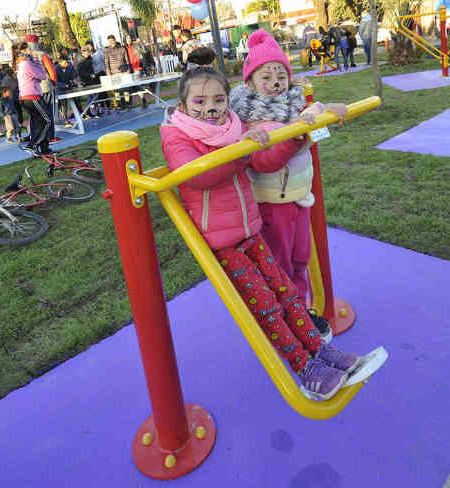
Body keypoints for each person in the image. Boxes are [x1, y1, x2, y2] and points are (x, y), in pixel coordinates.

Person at [161, 65, 386, 400]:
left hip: (250, 229)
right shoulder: (176, 135)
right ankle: (306, 372)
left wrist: (271, 140)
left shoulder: (233, 126)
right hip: (221, 243)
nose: (210, 107)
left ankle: (320, 352)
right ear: (183, 106)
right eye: (200, 100)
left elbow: (263, 161)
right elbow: (197, 175)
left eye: (219, 99)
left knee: (287, 293)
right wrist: (241, 152)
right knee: (266, 306)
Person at [229, 29, 348, 330]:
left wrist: (331, 109)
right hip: (272, 202)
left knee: (300, 258)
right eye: (265, 78)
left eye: (280, 76)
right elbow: (264, 162)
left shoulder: (292, 106)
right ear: (250, 81)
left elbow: (312, 111)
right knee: (280, 264)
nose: (274, 84)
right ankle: (286, 316)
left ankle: (302, 310)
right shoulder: (249, 119)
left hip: (298, 195)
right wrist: (295, 136)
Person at [16, 41, 56, 155]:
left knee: (40, 122)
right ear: (24, 51)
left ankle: (44, 149)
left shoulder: (23, 63)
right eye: (29, 49)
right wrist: (38, 62)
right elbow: (43, 76)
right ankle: (32, 145)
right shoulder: (26, 64)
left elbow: (37, 77)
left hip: (27, 96)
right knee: (47, 120)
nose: (32, 51)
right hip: (31, 97)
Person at [104, 34, 130, 110]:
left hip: (123, 72)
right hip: (114, 73)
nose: (111, 42)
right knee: (117, 90)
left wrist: (128, 70)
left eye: (112, 40)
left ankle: (127, 104)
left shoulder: (122, 48)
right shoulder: (107, 50)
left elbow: (126, 59)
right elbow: (106, 63)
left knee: (125, 89)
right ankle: (119, 105)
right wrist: (109, 74)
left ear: (114, 40)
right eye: (109, 41)